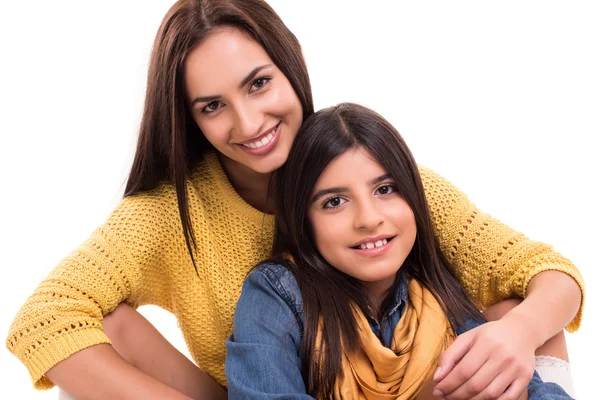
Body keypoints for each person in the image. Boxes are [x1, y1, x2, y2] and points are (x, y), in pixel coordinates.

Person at [5, 1, 583, 399]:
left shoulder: (371, 176)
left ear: (291, 68)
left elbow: (547, 271)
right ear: (188, 119)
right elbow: (43, 320)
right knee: (109, 322)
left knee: (519, 311)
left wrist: (517, 331)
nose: (249, 121)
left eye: (259, 83)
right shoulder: (168, 215)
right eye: (213, 106)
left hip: (387, 384)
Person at [226, 102, 573, 399]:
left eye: (385, 189)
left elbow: (528, 388)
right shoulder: (276, 294)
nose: (369, 219)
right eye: (334, 201)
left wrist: (519, 335)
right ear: (303, 220)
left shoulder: (437, 299)